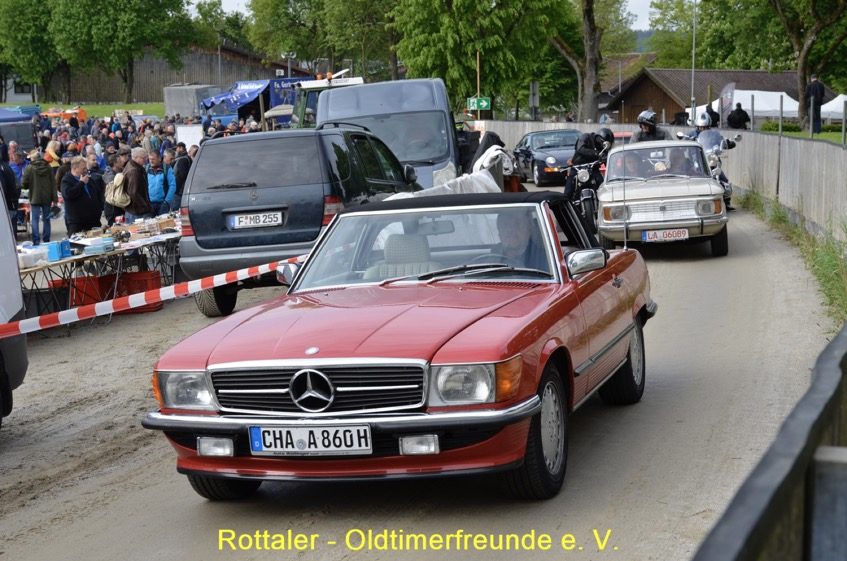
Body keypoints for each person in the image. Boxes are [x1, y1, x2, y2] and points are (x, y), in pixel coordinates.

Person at [61, 156, 104, 235]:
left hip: (93, 221)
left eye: (86, 168)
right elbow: (68, 194)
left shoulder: (88, 178)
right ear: (75, 168)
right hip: (77, 223)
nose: (86, 170)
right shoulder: (67, 180)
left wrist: (99, 208)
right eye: (83, 168)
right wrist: (81, 183)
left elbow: (97, 193)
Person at [22, 151, 57, 244]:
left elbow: (24, 184)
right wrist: (55, 199)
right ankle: (46, 240)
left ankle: (36, 240)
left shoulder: (29, 168)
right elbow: (53, 184)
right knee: (46, 219)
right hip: (47, 197)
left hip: (34, 196)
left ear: (32, 158)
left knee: (35, 219)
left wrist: (27, 186)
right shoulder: (48, 167)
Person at [123, 147, 153, 223]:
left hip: (133, 210)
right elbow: (133, 192)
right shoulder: (134, 171)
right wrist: (145, 205)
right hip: (137, 211)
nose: (146, 160)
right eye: (143, 158)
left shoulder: (131, 166)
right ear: (136, 157)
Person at [145, 151, 176, 215]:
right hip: (149, 205)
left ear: (159, 158)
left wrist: (167, 202)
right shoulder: (146, 168)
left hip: (163, 204)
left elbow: (172, 185)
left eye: (153, 159)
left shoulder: (167, 168)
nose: (151, 161)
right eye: (150, 159)